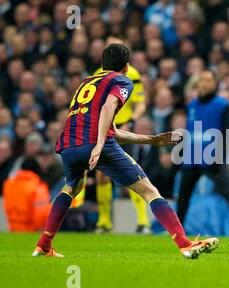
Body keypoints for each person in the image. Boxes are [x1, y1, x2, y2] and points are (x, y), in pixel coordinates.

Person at [32, 44, 218, 258]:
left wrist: (153, 140)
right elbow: (109, 107)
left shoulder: (86, 82)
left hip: (69, 145)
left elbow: (110, 128)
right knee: (149, 191)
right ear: (127, 67)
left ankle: (44, 244)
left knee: (71, 187)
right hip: (95, 143)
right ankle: (185, 244)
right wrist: (100, 144)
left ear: (103, 64)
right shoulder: (121, 80)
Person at [176, 70, 229, 232]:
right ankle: (177, 231)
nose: (204, 83)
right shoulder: (192, 105)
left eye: (209, 80)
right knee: (183, 197)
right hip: (191, 157)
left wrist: (219, 156)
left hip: (212, 158)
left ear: (214, 84)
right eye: (202, 80)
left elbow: (225, 132)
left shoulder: (222, 105)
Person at [94, 37, 149, 234]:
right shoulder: (97, 75)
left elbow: (141, 101)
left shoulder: (132, 74)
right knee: (101, 176)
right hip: (105, 130)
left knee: (132, 172)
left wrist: (132, 118)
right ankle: (104, 222)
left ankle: (143, 222)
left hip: (123, 128)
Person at [3, 157, 51, 231]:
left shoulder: (8, 184)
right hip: (32, 232)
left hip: (13, 230)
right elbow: (41, 214)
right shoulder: (38, 187)